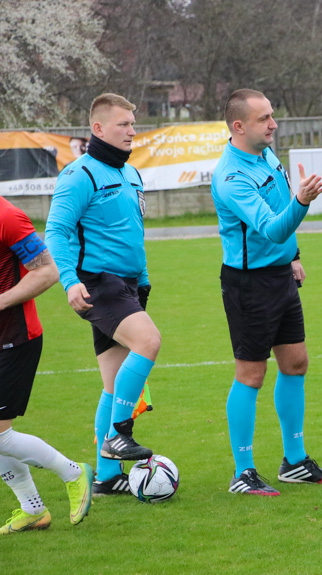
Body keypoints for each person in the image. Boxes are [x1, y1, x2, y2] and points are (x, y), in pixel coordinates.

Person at [212, 89, 322, 496]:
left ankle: (295, 461)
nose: (274, 124)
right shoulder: (231, 177)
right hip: (249, 285)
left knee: (296, 362)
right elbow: (270, 227)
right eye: (264, 118)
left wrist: (294, 255)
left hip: (280, 276)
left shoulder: (265, 153)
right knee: (251, 373)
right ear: (239, 126)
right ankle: (244, 471)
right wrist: (302, 201)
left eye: (272, 115)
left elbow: (281, 213)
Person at [46, 93, 160, 497]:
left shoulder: (131, 175)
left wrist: (143, 280)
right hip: (97, 283)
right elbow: (56, 232)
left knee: (112, 385)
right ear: (98, 128)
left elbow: (135, 235)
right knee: (149, 341)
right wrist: (68, 280)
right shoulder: (81, 174)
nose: (132, 130)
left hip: (127, 286)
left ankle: (107, 477)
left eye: (133, 123)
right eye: (123, 124)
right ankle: (119, 435)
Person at [0, 195, 93, 534]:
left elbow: (48, 272)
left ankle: (74, 472)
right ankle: (33, 511)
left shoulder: (7, 216)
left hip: (15, 338)